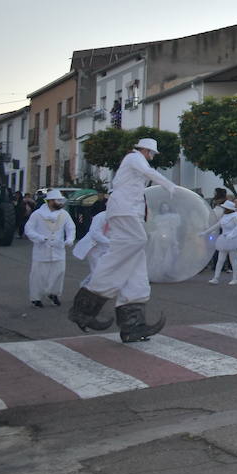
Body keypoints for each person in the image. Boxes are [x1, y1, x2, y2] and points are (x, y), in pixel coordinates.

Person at [68, 138, 176, 340]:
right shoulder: (134, 158)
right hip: (124, 210)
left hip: (129, 211)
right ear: (144, 150)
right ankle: (83, 309)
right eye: (151, 153)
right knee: (136, 242)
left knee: (136, 269)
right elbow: (149, 172)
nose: (151, 157)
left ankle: (132, 325)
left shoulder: (135, 163)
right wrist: (170, 186)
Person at [25, 189, 75, 308]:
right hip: (42, 250)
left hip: (58, 250)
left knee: (59, 272)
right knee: (38, 275)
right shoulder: (37, 214)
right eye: (58, 201)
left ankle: (54, 294)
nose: (60, 203)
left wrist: (70, 239)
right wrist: (39, 238)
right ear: (50, 201)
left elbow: (71, 227)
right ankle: (36, 298)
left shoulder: (64, 214)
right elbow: (28, 229)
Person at [72, 194, 111, 290]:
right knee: (97, 270)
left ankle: (85, 286)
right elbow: (95, 233)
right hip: (93, 247)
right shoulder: (100, 216)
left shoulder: (116, 218)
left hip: (105, 247)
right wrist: (109, 242)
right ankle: (93, 290)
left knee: (102, 269)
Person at [202, 201, 237, 285]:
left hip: (233, 240)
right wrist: (205, 232)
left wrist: (232, 235)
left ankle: (235, 278)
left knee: (233, 259)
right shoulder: (225, 216)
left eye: (225, 208)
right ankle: (216, 278)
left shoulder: (235, 216)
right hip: (224, 239)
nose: (223, 209)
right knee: (220, 259)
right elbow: (217, 225)